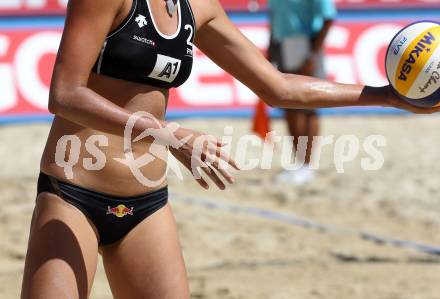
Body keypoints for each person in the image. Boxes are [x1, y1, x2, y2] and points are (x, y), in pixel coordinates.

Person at [20, 0, 436, 298]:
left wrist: (385, 96)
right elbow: (64, 93)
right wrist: (168, 135)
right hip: (73, 194)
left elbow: (278, 87)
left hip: (145, 203)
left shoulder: (198, 7)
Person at [268, 0, 337, 186]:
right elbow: (275, 15)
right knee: (289, 106)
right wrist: (270, 47)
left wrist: (312, 54)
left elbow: (328, 17)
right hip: (281, 41)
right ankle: (299, 163)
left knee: (305, 106)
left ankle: (306, 165)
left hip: (304, 42)